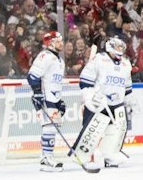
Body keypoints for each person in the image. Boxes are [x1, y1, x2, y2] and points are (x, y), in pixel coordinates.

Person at [77, 33, 134, 172]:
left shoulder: (126, 64)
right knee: (93, 131)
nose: (120, 48)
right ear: (109, 46)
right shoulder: (99, 59)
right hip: (98, 103)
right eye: (117, 45)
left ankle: (109, 155)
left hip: (117, 104)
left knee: (116, 131)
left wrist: (129, 102)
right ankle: (85, 157)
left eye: (121, 45)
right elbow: (85, 82)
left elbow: (127, 88)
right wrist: (89, 98)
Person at [25, 30, 68, 171]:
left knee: (53, 128)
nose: (62, 43)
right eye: (58, 40)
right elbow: (32, 75)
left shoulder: (59, 60)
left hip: (53, 98)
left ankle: (46, 157)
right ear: (51, 42)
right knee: (49, 126)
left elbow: (54, 82)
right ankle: (47, 159)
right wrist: (37, 94)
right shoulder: (45, 56)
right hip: (44, 97)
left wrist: (59, 100)